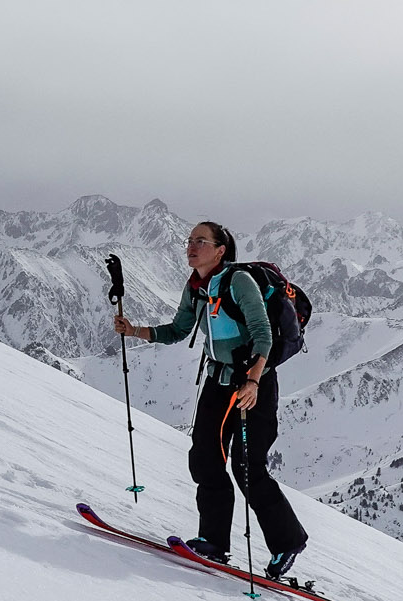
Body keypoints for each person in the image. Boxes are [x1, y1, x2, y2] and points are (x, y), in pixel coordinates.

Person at [115, 221, 309, 578]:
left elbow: (263, 334)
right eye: (190, 240)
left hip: (253, 384)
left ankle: (288, 542)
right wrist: (136, 331)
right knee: (205, 458)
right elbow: (178, 330)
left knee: (247, 467)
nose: (191, 246)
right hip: (217, 382)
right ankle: (213, 542)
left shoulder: (239, 282)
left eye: (200, 241)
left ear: (221, 250)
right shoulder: (196, 288)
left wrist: (253, 380)